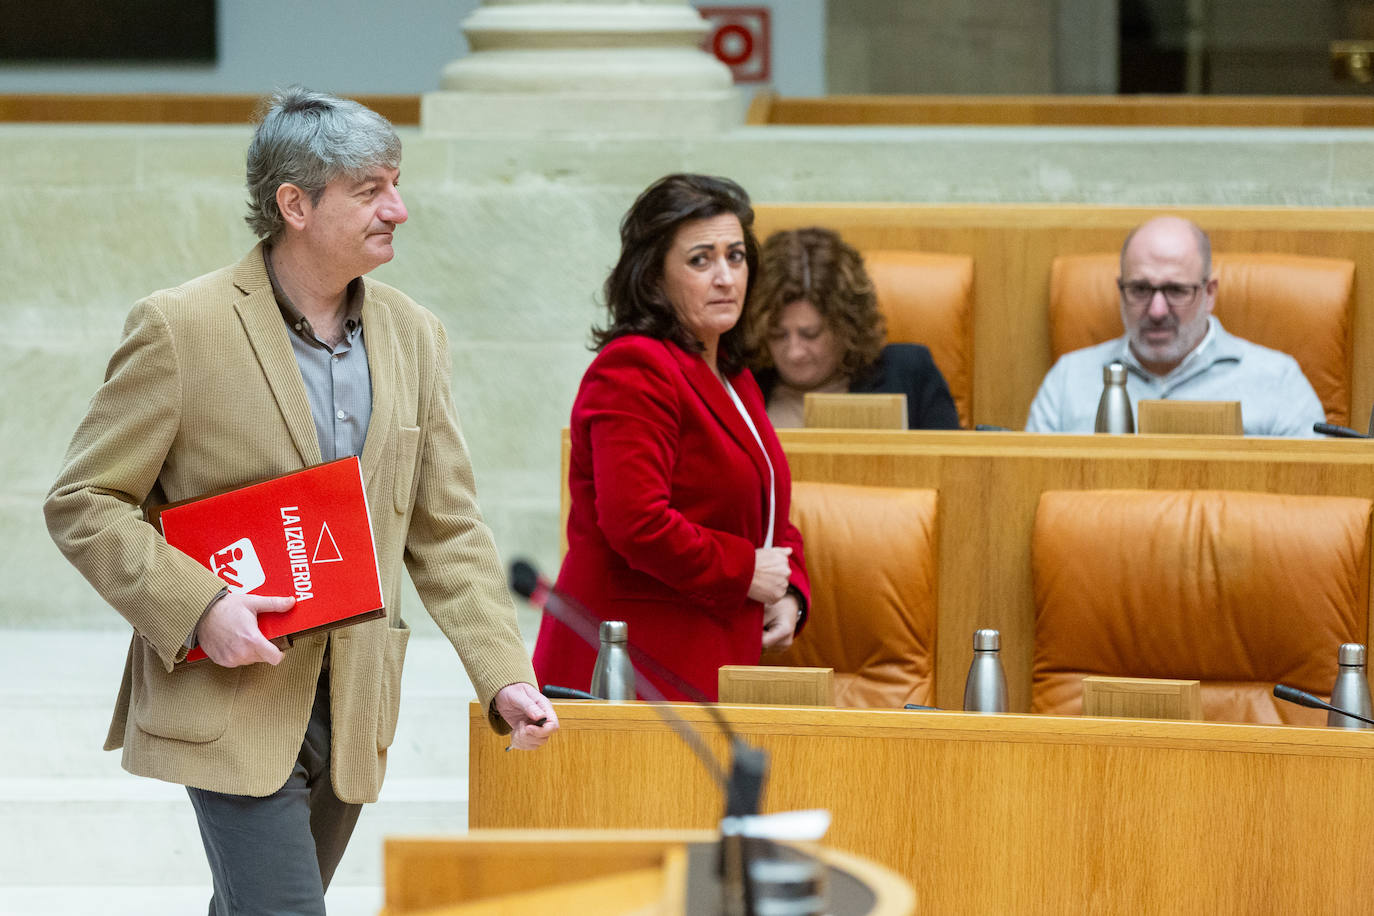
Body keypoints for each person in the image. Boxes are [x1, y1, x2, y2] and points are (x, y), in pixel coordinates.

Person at [43, 88, 557, 915]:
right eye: (371, 189)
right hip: (228, 695)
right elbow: (84, 500)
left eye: (397, 182)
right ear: (295, 205)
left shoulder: (416, 334)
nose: (399, 207)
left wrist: (502, 676)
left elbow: (447, 528)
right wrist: (202, 605)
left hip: (353, 699)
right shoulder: (181, 326)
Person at [531, 174, 811, 702]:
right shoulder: (634, 367)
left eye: (736, 256)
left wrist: (791, 588)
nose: (725, 277)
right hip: (632, 658)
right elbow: (636, 522)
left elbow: (766, 507)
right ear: (655, 276)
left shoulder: (732, 372)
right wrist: (745, 569)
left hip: (707, 648)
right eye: (701, 260)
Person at [1025, 215, 1325, 436]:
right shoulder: (1068, 379)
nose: (1157, 311)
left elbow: (1310, 501)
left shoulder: (1278, 380)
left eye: (1176, 291)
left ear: (1209, 294)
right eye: (1141, 289)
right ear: (1121, 290)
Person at [744, 226, 960, 430]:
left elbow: (950, 465)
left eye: (810, 334)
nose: (794, 352)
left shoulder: (908, 373)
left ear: (846, 327)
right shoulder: (741, 382)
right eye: (778, 335)